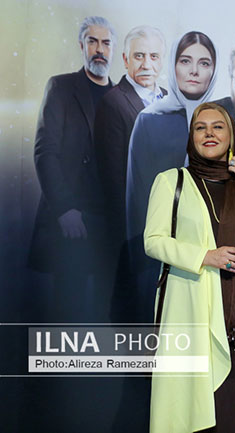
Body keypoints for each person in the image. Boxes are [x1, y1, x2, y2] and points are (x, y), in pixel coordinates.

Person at [144, 102, 235, 433]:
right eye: (201, 127)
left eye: (218, 126)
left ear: (232, 135)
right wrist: (205, 256)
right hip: (194, 311)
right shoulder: (172, 181)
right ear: (191, 137)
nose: (209, 133)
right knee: (193, 412)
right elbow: (153, 241)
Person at [126, 31, 218, 321]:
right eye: (185, 61)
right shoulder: (150, 121)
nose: (194, 71)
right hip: (162, 257)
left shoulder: (225, 120)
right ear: (173, 66)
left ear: (215, 70)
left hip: (216, 255)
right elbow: (137, 200)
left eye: (204, 63)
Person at [28, 16, 116, 321]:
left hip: (112, 222)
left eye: (106, 43)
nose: (99, 49)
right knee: (70, 308)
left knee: (110, 310)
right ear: (82, 46)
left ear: (114, 49)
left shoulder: (121, 97)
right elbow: (45, 152)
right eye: (93, 41)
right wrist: (65, 208)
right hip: (73, 218)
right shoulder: (62, 87)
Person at [95, 25, 167, 248]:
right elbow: (113, 178)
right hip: (135, 224)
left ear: (162, 61)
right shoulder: (112, 103)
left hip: (168, 218)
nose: (147, 64)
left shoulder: (170, 99)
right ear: (126, 60)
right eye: (139, 56)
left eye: (154, 56)